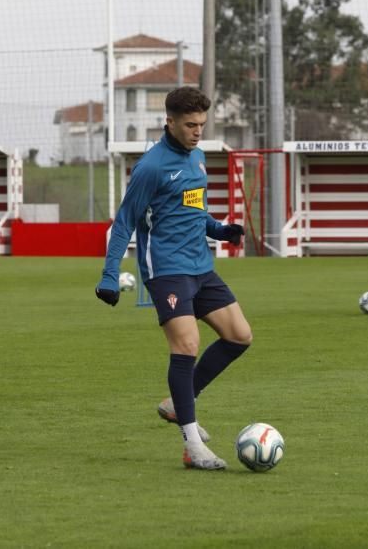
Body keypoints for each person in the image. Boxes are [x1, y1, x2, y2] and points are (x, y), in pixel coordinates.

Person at [94, 86, 250, 471]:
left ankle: (176, 403)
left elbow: (194, 213)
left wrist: (221, 230)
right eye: (190, 125)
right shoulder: (150, 167)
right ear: (170, 121)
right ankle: (193, 444)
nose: (198, 131)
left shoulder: (197, 158)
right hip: (165, 269)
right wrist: (111, 275)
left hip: (201, 266)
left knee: (239, 336)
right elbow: (124, 221)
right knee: (187, 345)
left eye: (201, 124)